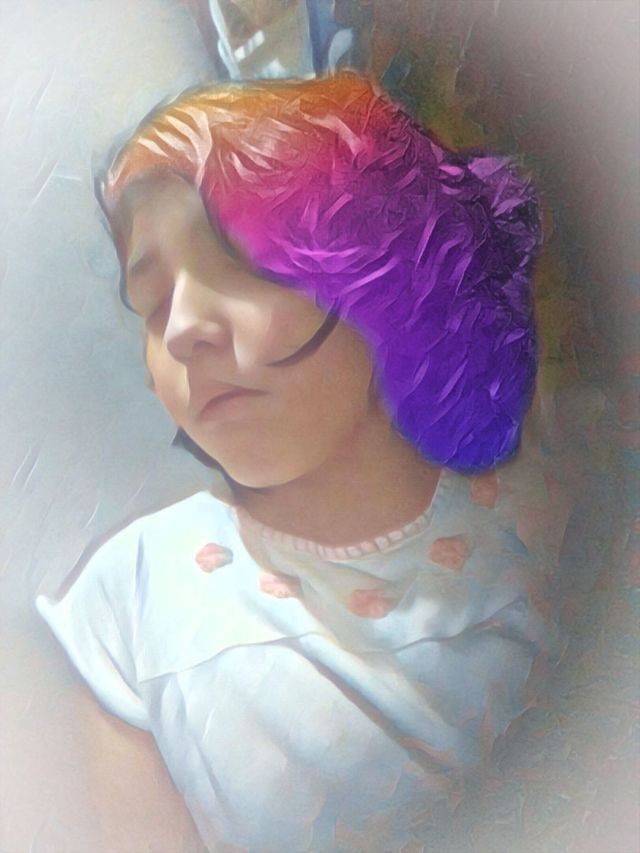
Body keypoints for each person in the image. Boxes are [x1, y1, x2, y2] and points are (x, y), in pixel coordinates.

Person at [36, 73, 554, 851]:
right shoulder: (134, 596)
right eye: (153, 303)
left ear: (390, 285)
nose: (182, 329)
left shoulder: (543, 541)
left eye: (244, 264)